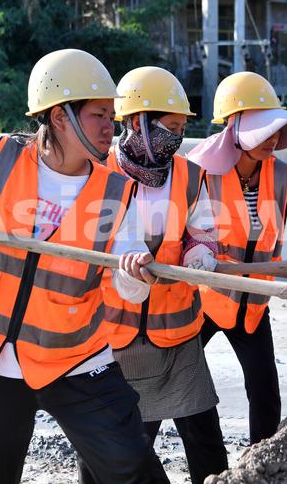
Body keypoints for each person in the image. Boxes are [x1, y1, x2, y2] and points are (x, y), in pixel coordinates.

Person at [0, 49, 170, 483]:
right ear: (60, 117)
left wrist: (133, 273)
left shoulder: (117, 193)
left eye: (112, 116)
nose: (111, 127)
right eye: (99, 115)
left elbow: (132, 290)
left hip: (75, 360)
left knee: (135, 469)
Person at [78, 66, 228, 484]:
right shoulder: (96, 172)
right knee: (116, 445)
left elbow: (203, 229)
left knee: (205, 440)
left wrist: (201, 253)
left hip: (177, 335)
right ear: (138, 122)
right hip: (115, 338)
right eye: (170, 127)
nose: (177, 136)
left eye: (181, 128)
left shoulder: (190, 175)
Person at [187, 71, 287, 444]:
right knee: (178, 383)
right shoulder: (202, 174)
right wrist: (199, 251)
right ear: (235, 129)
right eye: (263, 130)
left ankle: (260, 463)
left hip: (252, 305)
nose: (272, 138)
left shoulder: (283, 177)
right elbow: (187, 229)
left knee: (265, 392)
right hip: (206, 300)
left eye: (275, 129)